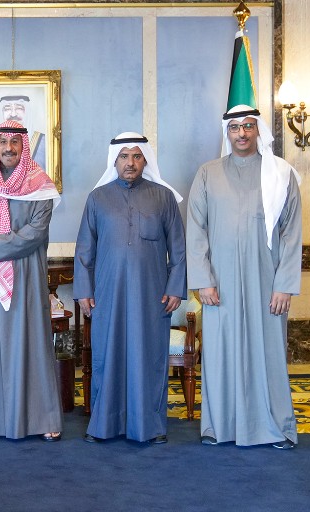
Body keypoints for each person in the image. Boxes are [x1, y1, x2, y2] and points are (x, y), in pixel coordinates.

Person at [187, 105, 302, 449]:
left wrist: (284, 285)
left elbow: (291, 233)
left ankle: (277, 427)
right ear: (228, 132)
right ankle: (219, 426)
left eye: (248, 126)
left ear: (258, 130)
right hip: (219, 282)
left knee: (268, 353)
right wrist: (203, 280)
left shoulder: (281, 174)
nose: (242, 133)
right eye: (235, 127)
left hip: (267, 281)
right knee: (220, 352)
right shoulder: (207, 173)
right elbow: (196, 229)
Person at [74, 132, 186, 444]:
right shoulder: (97, 198)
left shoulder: (163, 197)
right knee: (107, 356)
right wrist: (83, 291)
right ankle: (104, 425)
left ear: (145, 159)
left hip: (152, 295)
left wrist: (176, 287)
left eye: (137, 156)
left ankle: (150, 426)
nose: (130, 163)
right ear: (115, 160)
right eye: (124, 156)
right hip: (107, 294)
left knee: (148, 357)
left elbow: (178, 248)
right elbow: (84, 250)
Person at [0, 121, 62, 441]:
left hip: (26, 276)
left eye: (14, 142)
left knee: (30, 345)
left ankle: (42, 420)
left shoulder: (40, 184)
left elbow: (35, 233)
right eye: (2, 142)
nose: (8, 148)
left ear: (23, 146)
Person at [0, 95, 46, 169]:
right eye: (7, 109)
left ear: (27, 112)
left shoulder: (44, 143)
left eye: (19, 108)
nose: (13, 114)